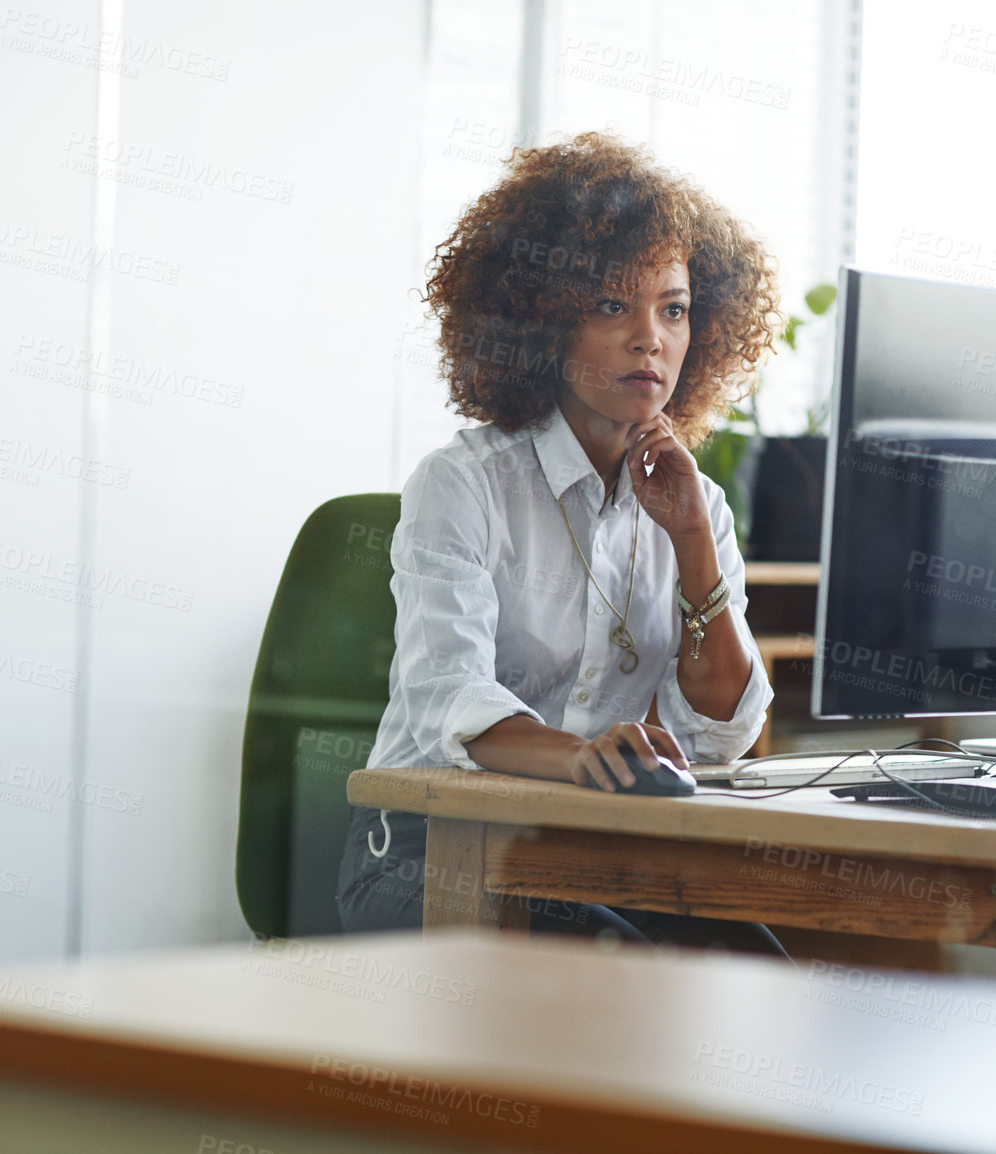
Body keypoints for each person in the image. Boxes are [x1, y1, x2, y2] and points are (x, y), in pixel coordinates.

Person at [336, 131, 789, 957]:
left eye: (674, 307)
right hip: (425, 855)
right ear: (541, 318)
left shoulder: (701, 505)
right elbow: (448, 699)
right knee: (630, 979)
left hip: (592, 861)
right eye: (613, 305)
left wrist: (692, 542)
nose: (650, 337)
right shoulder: (465, 485)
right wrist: (581, 756)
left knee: (755, 972)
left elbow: (723, 731)